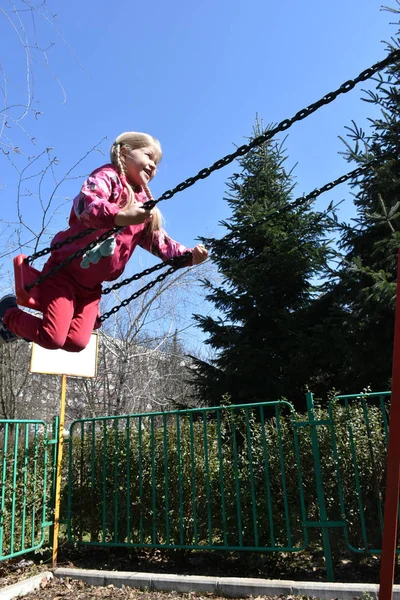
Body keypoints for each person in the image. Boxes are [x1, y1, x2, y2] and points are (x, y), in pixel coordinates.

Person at [0, 132, 208, 351]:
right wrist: (119, 215)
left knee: (77, 343)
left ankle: (21, 328)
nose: (153, 166)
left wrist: (189, 256)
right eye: (148, 156)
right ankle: (8, 313)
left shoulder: (145, 207)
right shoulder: (108, 176)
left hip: (91, 288)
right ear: (125, 151)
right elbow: (86, 204)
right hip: (65, 275)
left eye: (156, 163)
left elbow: (160, 242)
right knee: (53, 338)